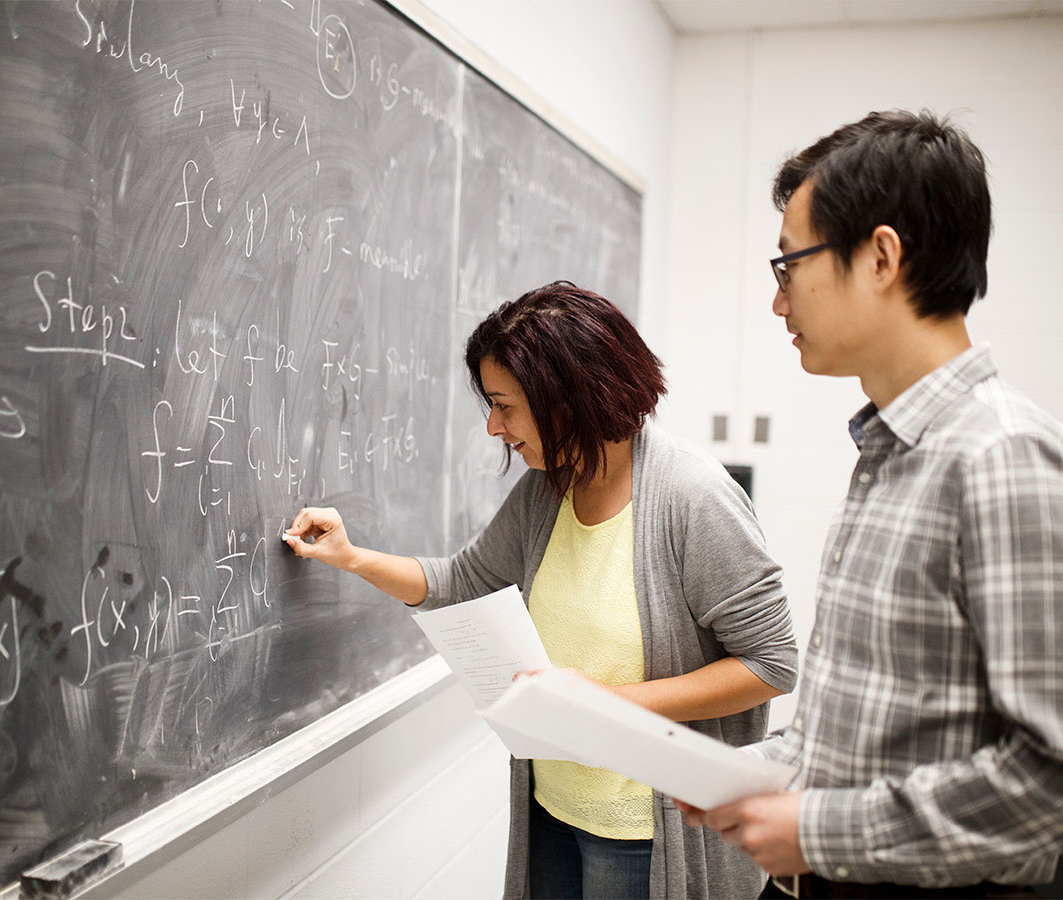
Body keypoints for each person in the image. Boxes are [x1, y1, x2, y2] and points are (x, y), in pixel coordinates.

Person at [284, 280, 798, 900]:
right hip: (552, 806)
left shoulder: (694, 498)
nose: (495, 427)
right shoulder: (547, 489)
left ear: (567, 398)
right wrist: (352, 556)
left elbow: (771, 665)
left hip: (644, 832)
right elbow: (462, 582)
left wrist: (608, 703)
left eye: (506, 405)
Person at [678, 110, 1063, 899]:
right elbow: (877, 726)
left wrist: (814, 829)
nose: (779, 304)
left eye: (790, 268)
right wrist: (744, 771)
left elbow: (1048, 781)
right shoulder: (888, 452)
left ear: (882, 256)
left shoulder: (1001, 458)